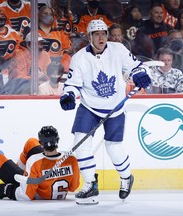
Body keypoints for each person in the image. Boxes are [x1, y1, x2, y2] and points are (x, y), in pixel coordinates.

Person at [59, 19, 151, 205]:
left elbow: (136, 67)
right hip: (89, 107)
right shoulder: (79, 58)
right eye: (97, 34)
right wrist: (68, 95)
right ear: (89, 36)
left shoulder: (118, 50)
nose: (101, 37)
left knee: (113, 147)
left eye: (104, 34)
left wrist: (139, 74)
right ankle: (91, 184)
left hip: (115, 107)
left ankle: (126, 178)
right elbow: (73, 84)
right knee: (80, 142)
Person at [0, 125, 80, 201]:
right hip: (54, 190)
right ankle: (16, 169)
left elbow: (26, 195)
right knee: (31, 143)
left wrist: (8, 190)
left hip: (34, 192)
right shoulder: (71, 159)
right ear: (58, 140)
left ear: (41, 143)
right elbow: (74, 187)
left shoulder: (35, 161)